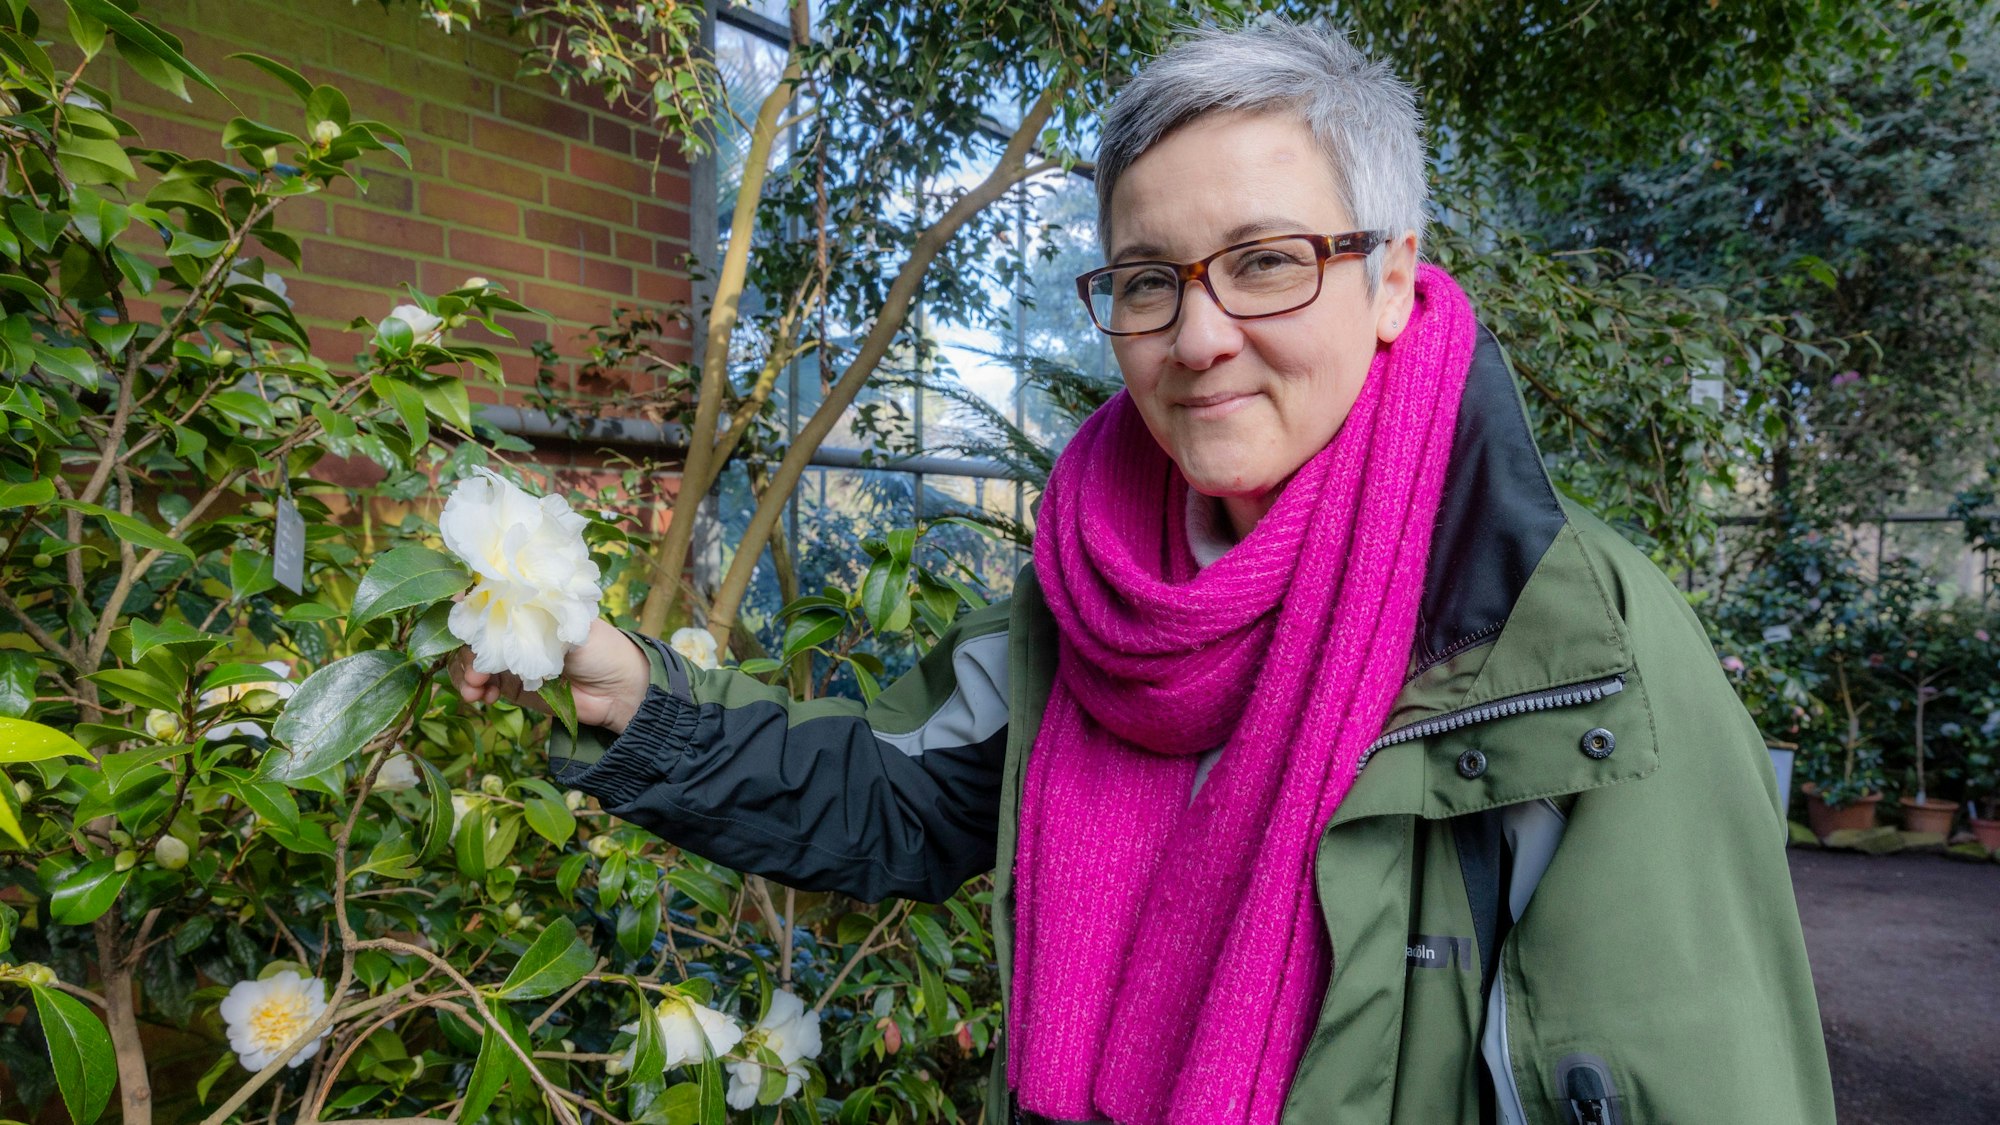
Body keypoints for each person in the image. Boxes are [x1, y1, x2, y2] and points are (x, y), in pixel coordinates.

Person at [450, 20, 1836, 1125]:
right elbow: (906, 799)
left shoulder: (1561, 632)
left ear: (1396, 275)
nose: (1201, 335)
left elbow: (1679, 1081)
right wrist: (642, 705)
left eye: (1269, 263)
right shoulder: (1098, 586)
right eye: (1149, 279)